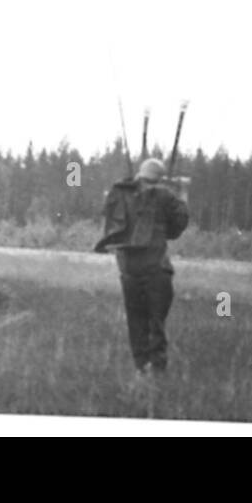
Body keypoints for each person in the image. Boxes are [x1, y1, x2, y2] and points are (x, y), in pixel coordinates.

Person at [97, 157, 189, 375]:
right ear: (159, 178)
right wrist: (183, 191)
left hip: (129, 271)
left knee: (136, 322)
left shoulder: (119, 194)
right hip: (156, 271)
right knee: (156, 323)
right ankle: (157, 370)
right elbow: (177, 228)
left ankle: (141, 369)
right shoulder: (165, 196)